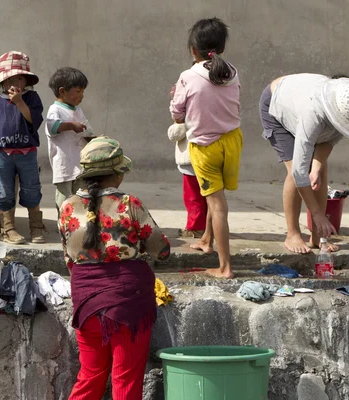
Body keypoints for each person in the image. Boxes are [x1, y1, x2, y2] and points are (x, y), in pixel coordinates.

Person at [59, 137, 170, 400]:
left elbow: (69, 259)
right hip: (128, 302)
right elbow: (161, 251)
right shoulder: (129, 204)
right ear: (117, 174)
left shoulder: (67, 207)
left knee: (90, 375)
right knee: (126, 377)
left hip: (86, 301)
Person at [259, 73, 349, 253]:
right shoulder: (313, 115)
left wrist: (316, 165)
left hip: (299, 104)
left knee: (320, 171)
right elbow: (299, 173)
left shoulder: (347, 111)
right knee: (295, 171)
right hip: (277, 104)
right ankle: (292, 233)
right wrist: (316, 214)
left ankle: (317, 236)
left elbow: (329, 140)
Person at [170, 17, 242, 279]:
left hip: (205, 145)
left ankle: (225, 267)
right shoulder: (232, 72)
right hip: (232, 140)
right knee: (217, 195)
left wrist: (178, 101)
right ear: (221, 47)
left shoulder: (188, 76)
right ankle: (206, 239)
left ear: (193, 50)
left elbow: (177, 113)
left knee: (217, 204)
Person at [0, 51, 46, 244]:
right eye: (10, 78)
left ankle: (36, 228)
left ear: (26, 81)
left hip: (27, 153)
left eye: (20, 78)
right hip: (3, 155)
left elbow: (34, 120)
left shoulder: (32, 98)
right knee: (5, 192)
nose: (14, 82)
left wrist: (20, 102)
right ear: (2, 82)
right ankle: (8, 230)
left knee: (32, 189)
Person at [45, 67, 94, 216]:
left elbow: (87, 131)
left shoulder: (78, 110)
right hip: (64, 166)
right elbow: (52, 126)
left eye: (83, 92)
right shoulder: (55, 109)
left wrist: (96, 141)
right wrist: (72, 126)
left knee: (81, 198)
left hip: (80, 165)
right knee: (64, 200)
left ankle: (77, 226)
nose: (82, 95)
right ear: (62, 91)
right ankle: (64, 226)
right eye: (78, 92)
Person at [167, 121, 207, 238]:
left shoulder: (188, 113)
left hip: (192, 162)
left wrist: (177, 121)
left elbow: (174, 135)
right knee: (210, 197)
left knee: (193, 198)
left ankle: (196, 228)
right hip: (211, 159)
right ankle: (211, 227)